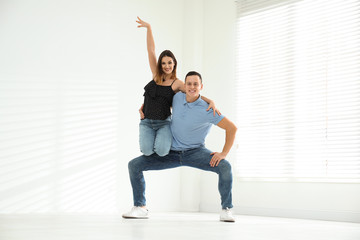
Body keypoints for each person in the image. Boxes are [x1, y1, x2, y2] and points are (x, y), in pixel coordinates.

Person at [123, 71, 238, 222]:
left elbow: (231, 128)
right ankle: (140, 207)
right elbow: (160, 102)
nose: (192, 87)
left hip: (195, 152)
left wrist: (223, 153)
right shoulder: (177, 98)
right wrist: (144, 111)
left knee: (225, 167)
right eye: (189, 84)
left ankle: (227, 209)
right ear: (184, 85)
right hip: (170, 152)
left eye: (195, 84)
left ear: (201, 86)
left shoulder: (208, 110)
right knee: (134, 165)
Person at [136, 17, 218, 157]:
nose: (166, 66)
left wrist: (210, 100)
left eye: (169, 63)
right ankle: (152, 142)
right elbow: (151, 51)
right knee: (146, 151)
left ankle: (162, 143)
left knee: (162, 152)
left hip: (163, 123)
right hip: (146, 122)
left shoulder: (178, 83)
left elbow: (193, 92)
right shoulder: (156, 75)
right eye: (163, 63)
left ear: (174, 64)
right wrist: (149, 28)